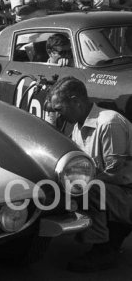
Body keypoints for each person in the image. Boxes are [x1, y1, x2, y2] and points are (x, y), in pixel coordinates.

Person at [48, 77, 132, 272]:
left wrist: (75, 183)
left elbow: (115, 174)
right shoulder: (78, 127)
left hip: (126, 190)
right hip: (118, 192)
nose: (58, 115)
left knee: (87, 188)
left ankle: (102, 249)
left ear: (76, 101)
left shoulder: (109, 123)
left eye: (60, 109)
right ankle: (110, 239)